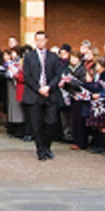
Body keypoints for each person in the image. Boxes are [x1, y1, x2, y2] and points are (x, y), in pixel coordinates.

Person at [23, 31, 62, 161]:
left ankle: (47, 147)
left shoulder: (53, 57)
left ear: (46, 40)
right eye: (37, 40)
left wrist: (48, 87)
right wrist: (39, 88)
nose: (40, 42)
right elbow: (27, 76)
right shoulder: (29, 56)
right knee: (36, 124)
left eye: (42, 40)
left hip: (50, 94)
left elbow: (58, 74)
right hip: (34, 94)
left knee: (50, 123)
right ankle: (40, 149)